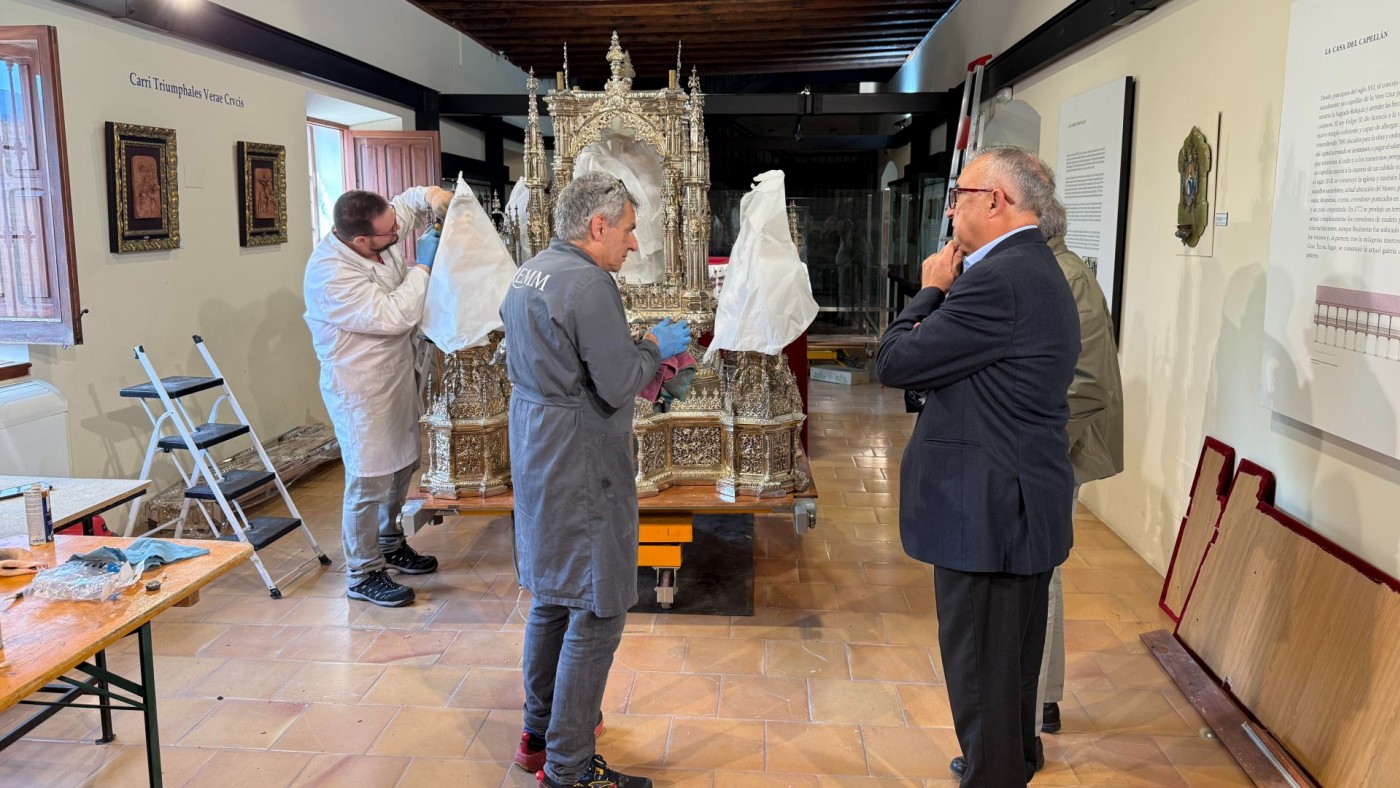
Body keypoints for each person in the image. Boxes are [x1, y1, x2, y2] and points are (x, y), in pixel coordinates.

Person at [875, 146, 1080, 786]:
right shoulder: (1034, 267)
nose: (952, 207)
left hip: (987, 511)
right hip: (1016, 500)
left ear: (996, 202)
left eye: (961, 194)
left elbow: (894, 363)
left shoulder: (997, 279)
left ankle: (995, 769)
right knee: (1009, 669)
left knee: (982, 672)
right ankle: (1010, 757)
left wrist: (929, 290)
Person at [500, 171, 691, 788]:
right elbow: (616, 382)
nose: (634, 244)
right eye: (630, 229)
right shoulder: (589, 283)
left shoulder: (531, 269)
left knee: (553, 596)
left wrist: (633, 347)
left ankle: (539, 730)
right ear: (598, 225)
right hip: (581, 459)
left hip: (537, 446)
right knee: (600, 607)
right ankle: (570, 768)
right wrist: (656, 347)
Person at [303, 185, 452, 608]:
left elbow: (407, 205)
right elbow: (393, 314)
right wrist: (422, 266)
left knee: (404, 462)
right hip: (360, 386)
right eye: (389, 235)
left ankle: (391, 541)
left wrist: (433, 197)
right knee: (369, 478)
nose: (397, 235)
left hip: (397, 374)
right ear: (360, 240)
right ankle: (362, 571)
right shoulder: (330, 273)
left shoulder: (377, 229)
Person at [1033, 196, 1125, 737]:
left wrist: (1034, 444)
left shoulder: (1066, 280)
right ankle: (1044, 696)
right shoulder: (1054, 272)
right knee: (1044, 575)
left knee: (1037, 577)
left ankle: (1033, 703)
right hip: (1050, 448)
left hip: (1054, 453)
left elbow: (1087, 386)